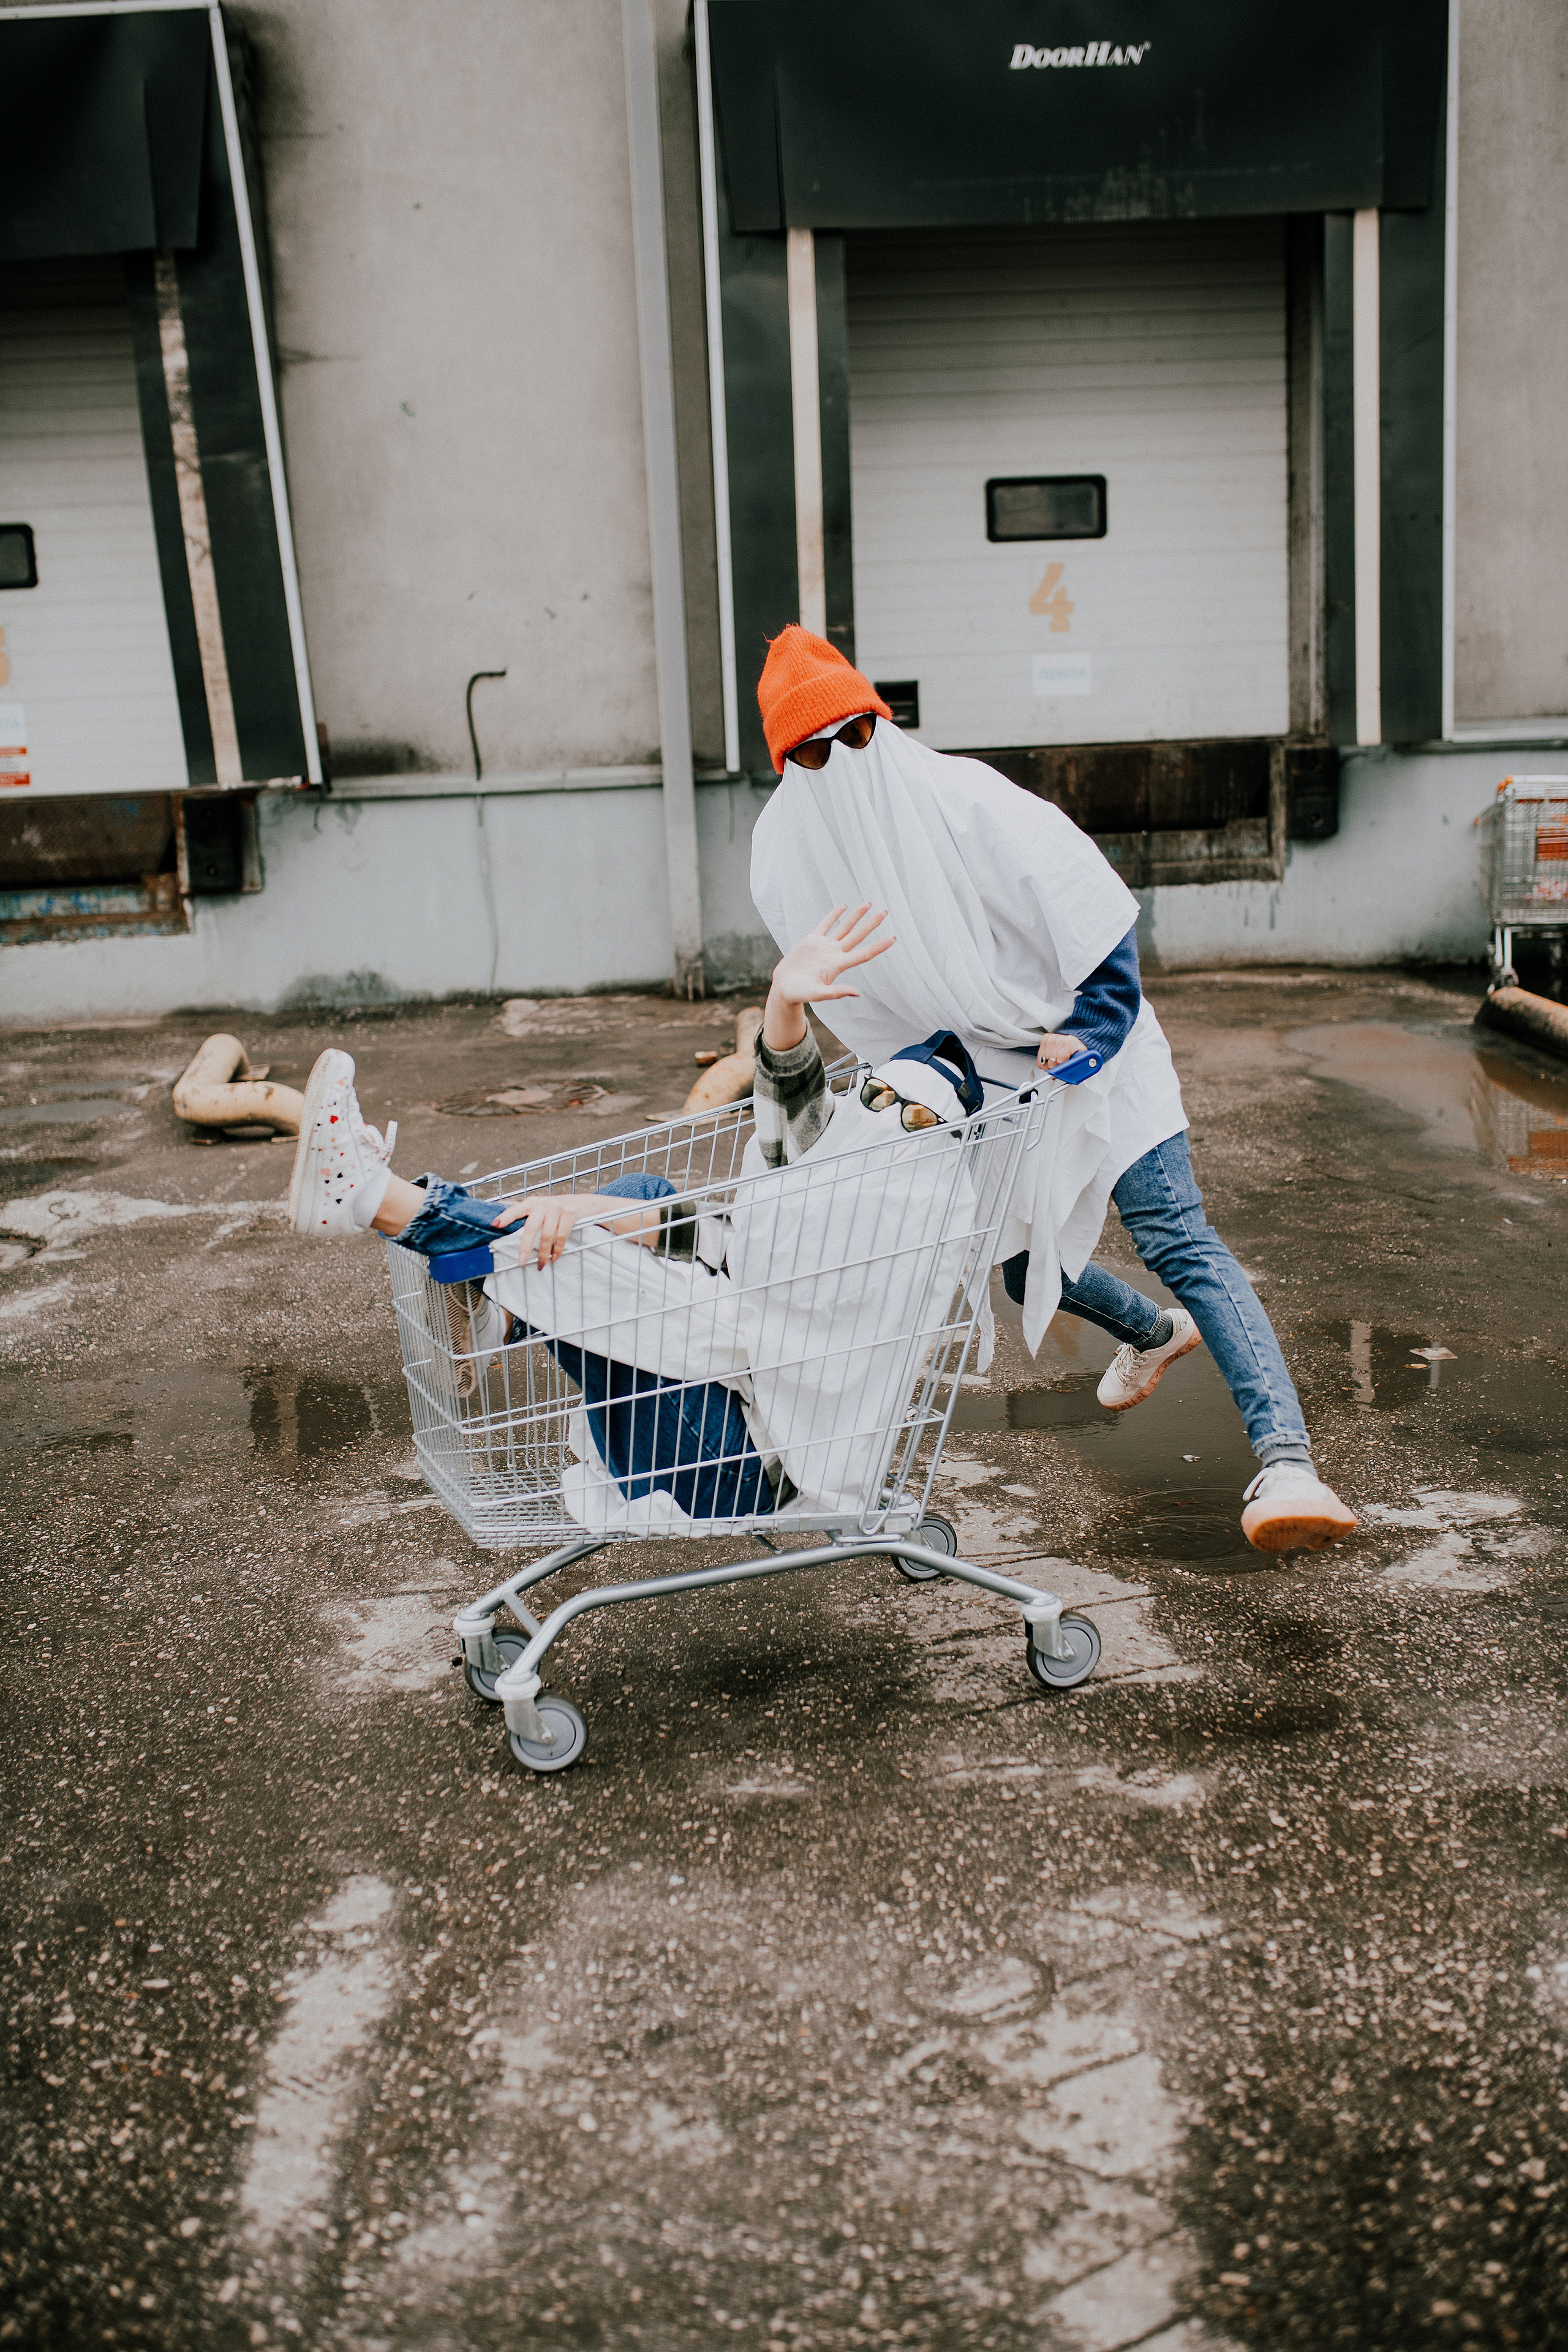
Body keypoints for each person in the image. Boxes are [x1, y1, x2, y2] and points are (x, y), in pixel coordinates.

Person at [748, 627, 1357, 1556]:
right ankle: (1154, 1334)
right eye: (815, 750)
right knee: (1020, 1260)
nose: (844, 761)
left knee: (1176, 1234)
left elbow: (1096, 917)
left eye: (858, 734)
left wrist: (1094, 1032)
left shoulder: (965, 802)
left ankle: (1287, 1465)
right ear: (789, 764)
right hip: (985, 1068)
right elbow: (873, 1008)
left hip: (1088, 1033)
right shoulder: (789, 855)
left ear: (884, 722)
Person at [284, 905, 988, 1527]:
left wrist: (584, 1244)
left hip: (739, 1475)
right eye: (877, 1099)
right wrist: (783, 1003)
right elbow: (761, 1172)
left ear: (944, 1146)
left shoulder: (908, 1235)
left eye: (917, 1119)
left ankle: (386, 1205)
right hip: (721, 1414)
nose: (888, 1122)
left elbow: (751, 1323)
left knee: (643, 1296)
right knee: (643, 1193)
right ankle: (493, 1308)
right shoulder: (828, 1186)